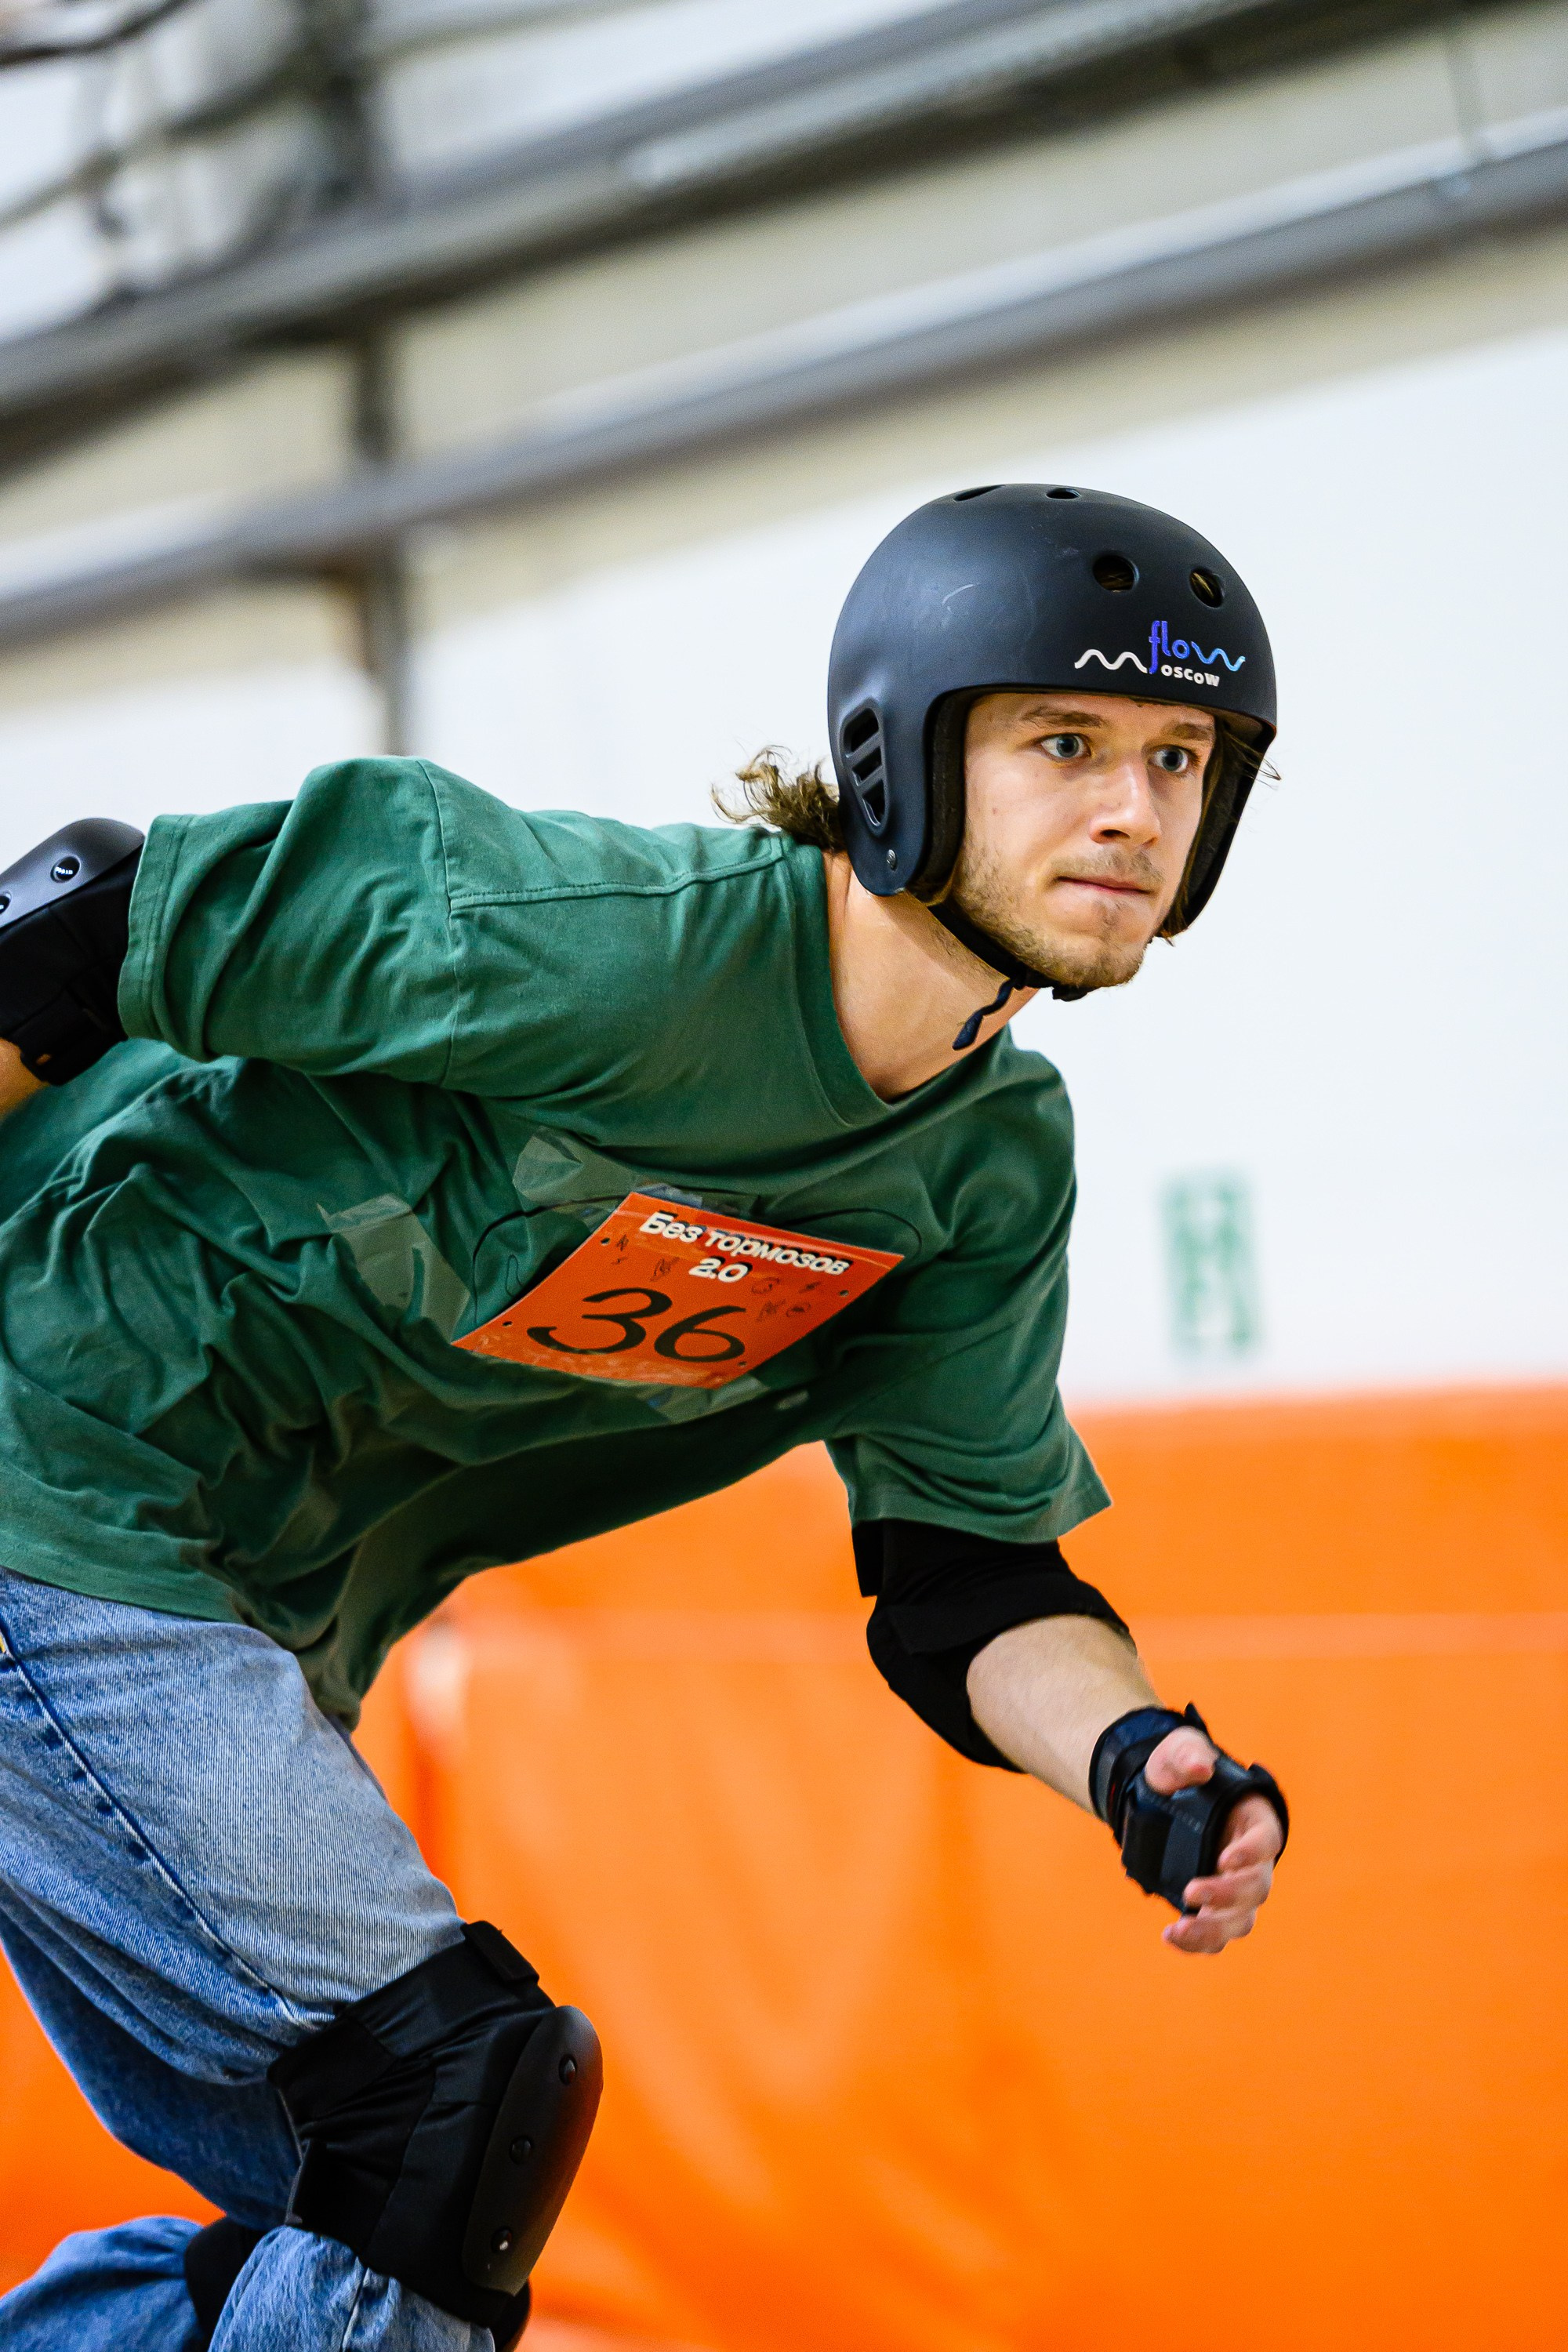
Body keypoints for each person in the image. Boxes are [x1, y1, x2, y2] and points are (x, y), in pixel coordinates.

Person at [0, 483, 1287, 2352]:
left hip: (242, 1615)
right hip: (58, 1475)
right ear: (897, 751)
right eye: (1063, 744)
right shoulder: (611, 948)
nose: (1130, 812)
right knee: (449, 2110)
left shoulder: (986, 1172)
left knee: (352, 2198)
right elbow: (83, 917)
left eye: (1181, 763)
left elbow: (968, 1577)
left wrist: (1133, 1761)